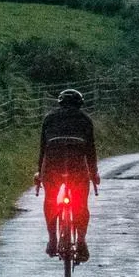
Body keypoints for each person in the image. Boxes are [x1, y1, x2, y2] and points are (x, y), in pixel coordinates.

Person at [36, 88, 100, 262]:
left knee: (50, 199)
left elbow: (43, 150)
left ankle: (52, 239)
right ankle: (81, 240)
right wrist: (93, 173)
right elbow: (90, 150)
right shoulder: (85, 120)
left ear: (60, 103)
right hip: (76, 165)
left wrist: (39, 173)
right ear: (80, 104)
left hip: (53, 166)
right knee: (81, 203)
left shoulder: (49, 118)